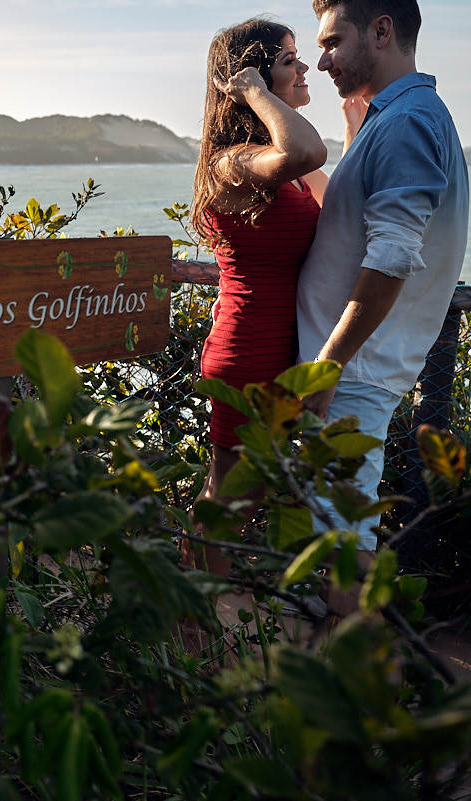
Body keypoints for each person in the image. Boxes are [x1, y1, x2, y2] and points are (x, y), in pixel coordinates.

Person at [296, 0, 469, 608]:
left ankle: (367, 685)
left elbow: (392, 255)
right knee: (340, 534)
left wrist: (328, 366)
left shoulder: (408, 123)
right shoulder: (399, 118)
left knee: (339, 544)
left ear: (383, 30)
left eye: (332, 41)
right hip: (360, 369)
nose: (320, 62)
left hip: (354, 373)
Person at [186, 18, 332, 577]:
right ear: (253, 75)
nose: (303, 67)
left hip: (288, 349)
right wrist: (253, 90)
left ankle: (194, 602)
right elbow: (307, 152)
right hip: (248, 352)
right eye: (289, 59)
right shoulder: (235, 162)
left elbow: (335, 197)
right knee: (231, 498)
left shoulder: (276, 169)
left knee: (247, 491)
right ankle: (195, 620)